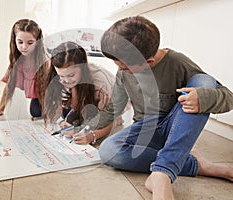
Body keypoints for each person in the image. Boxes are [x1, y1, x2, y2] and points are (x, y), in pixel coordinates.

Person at [81, 16, 233, 200]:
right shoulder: (123, 72)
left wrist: (203, 97)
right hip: (146, 131)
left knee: (205, 82)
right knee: (108, 151)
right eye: (117, 65)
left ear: (150, 62)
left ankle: (161, 176)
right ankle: (197, 165)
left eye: (127, 68)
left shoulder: (177, 62)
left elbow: (228, 97)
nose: (121, 71)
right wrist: (88, 129)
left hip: (175, 128)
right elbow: (113, 109)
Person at [40, 41, 125, 144]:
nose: (66, 80)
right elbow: (57, 106)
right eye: (61, 76)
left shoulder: (100, 82)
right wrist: (61, 122)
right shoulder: (61, 77)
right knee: (72, 122)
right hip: (85, 104)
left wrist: (91, 136)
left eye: (71, 75)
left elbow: (109, 119)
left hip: (108, 110)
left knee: (94, 127)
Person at [0, 19, 50, 119]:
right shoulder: (17, 61)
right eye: (20, 42)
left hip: (51, 93)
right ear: (14, 40)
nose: (24, 47)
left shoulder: (44, 61)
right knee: (36, 112)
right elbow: (9, 86)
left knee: (38, 112)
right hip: (39, 95)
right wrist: (1, 108)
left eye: (30, 43)